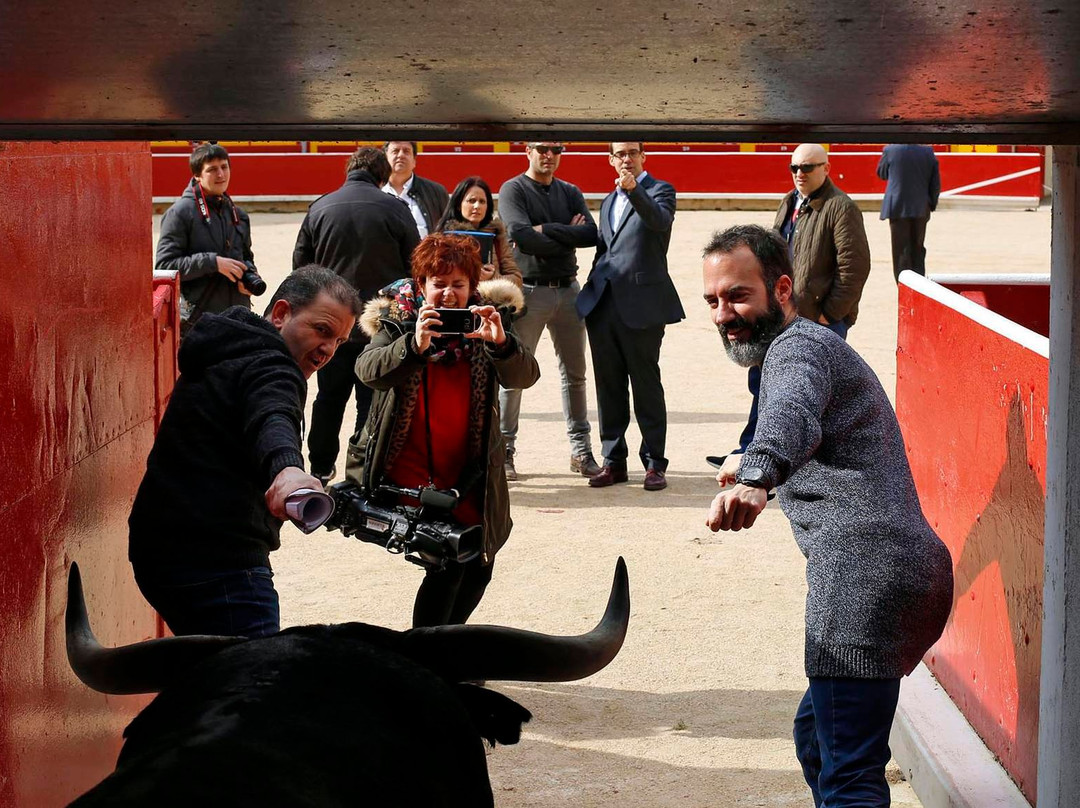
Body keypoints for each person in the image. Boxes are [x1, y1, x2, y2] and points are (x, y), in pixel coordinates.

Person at [702, 224, 953, 808]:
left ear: (782, 288)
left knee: (848, 776)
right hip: (891, 571)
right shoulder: (804, 350)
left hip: (862, 581)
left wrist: (759, 476)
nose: (723, 314)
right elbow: (816, 422)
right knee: (819, 743)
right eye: (713, 301)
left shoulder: (796, 348)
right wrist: (746, 459)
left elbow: (793, 411)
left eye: (738, 295)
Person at [128, 266, 362, 638]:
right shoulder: (275, 368)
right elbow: (273, 417)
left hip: (161, 550)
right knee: (257, 686)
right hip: (217, 563)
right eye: (322, 330)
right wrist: (288, 470)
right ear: (281, 313)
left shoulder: (229, 344)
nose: (328, 350)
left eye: (339, 341)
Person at [345, 233, 539, 627]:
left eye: (458, 285)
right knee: (449, 565)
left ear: (472, 287)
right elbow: (367, 371)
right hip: (414, 470)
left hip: (469, 472)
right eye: (439, 285)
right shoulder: (398, 319)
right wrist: (414, 347)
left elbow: (526, 376)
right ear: (421, 285)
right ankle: (431, 660)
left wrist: (501, 344)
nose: (449, 295)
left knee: (480, 564)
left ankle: (446, 649)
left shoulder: (487, 318)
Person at [717, 143, 871, 482]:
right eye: (794, 168)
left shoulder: (841, 208)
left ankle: (789, 464)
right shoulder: (790, 202)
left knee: (806, 392)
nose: (800, 174)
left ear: (826, 168)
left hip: (817, 320)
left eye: (808, 168)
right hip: (782, 317)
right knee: (766, 383)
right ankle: (752, 450)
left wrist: (828, 315)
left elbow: (854, 268)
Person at [292, 146, 422, 486]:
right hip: (379, 322)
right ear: (382, 176)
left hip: (330, 322)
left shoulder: (320, 206)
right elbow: (415, 266)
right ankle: (363, 467)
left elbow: (300, 268)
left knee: (329, 396)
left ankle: (320, 466)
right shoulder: (395, 208)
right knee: (372, 395)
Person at [576, 142, 683, 491]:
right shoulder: (608, 200)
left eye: (632, 152)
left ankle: (654, 463)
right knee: (608, 386)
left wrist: (635, 190)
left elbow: (659, 221)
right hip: (604, 305)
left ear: (643, 157)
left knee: (646, 385)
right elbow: (605, 250)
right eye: (620, 154)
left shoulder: (660, 190)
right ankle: (614, 460)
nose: (626, 158)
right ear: (610, 160)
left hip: (643, 305)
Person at [497, 141, 601, 481]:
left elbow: (590, 234)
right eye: (542, 148)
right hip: (528, 291)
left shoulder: (569, 190)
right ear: (527, 151)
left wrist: (548, 230)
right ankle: (505, 449)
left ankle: (581, 451)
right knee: (514, 374)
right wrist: (566, 234)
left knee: (576, 374)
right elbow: (520, 236)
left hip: (569, 289)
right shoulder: (513, 188)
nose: (549, 155)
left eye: (556, 150)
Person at [155, 143, 259, 337]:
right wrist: (212, 262)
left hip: (238, 318)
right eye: (212, 169)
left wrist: (250, 275)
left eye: (224, 167)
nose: (221, 174)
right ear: (197, 175)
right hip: (199, 323)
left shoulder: (238, 214)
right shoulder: (180, 213)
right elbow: (165, 265)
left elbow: (246, 257)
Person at [434, 176, 523, 288]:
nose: (477, 206)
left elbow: (516, 280)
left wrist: (492, 277)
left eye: (482, 202)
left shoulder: (496, 236)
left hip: (490, 301)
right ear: (458, 205)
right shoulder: (444, 237)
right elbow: (434, 277)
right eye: (471, 201)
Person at [877, 144, 941, 280]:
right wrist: (931, 204)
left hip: (897, 205)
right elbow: (935, 183)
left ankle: (902, 286)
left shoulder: (890, 149)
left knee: (900, 250)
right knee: (917, 248)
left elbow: (881, 173)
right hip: (921, 206)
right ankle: (918, 286)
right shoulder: (928, 151)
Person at [382, 140, 450, 238]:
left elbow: (447, 231)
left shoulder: (436, 192)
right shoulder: (374, 190)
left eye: (406, 151)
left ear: (414, 161)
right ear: (385, 159)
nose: (401, 155)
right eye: (395, 151)